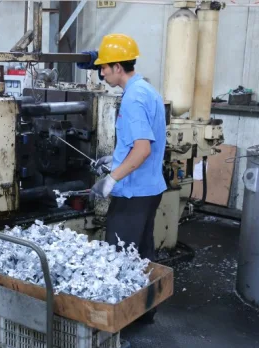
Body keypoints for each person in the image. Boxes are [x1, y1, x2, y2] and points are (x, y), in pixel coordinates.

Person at [79, 34, 167, 322]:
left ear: (118, 67)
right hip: (149, 189)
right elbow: (138, 145)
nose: (101, 72)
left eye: (104, 67)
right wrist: (114, 160)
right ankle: (144, 313)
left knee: (118, 258)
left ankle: (117, 321)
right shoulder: (147, 90)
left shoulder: (133, 99)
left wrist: (111, 179)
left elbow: (142, 149)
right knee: (141, 255)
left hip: (133, 193)